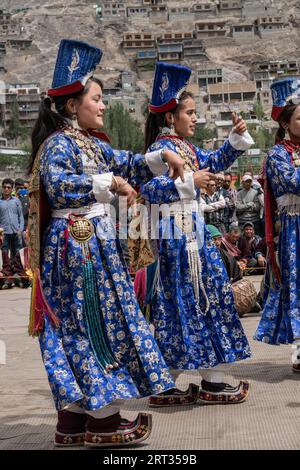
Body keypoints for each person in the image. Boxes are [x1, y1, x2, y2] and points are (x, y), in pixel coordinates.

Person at [28, 40, 186, 447]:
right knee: (92, 325)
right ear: (71, 106)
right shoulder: (58, 146)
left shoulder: (90, 143)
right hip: (76, 246)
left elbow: (127, 160)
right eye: (96, 99)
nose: (102, 106)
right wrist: (107, 183)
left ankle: (75, 421)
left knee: (89, 325)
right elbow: (59, 187)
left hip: (92, 243)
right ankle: (101, 419)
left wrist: (159, 158)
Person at [141, 61, 254, 407]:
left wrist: (235, 138)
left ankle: (195, 379)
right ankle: (193, 380)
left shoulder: (185, 148)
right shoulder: (158, 153)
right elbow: (153, 188)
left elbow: (215, 161)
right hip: (177, 240)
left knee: (202, 302)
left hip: (193, 238)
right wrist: (192, 181)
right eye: (189, 112)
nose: (195, 118)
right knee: (185, 304)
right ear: (169, 118)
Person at [253, 78, 300, 373]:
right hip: (294, 233)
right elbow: (293, 183)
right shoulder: (277, 156)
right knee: (296, 287)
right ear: (285, 123)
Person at [0, 178, 24, 287]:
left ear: (12, 189)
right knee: (5, 253)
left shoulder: (16, 201)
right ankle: (7, 274)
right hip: (4, 233)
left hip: (16, 232)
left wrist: (21, 229)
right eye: (4, 187)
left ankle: (17, 273)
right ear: (2, 188)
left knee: (17, 252)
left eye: (8, 187)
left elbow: (21, 216)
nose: (6, 189)